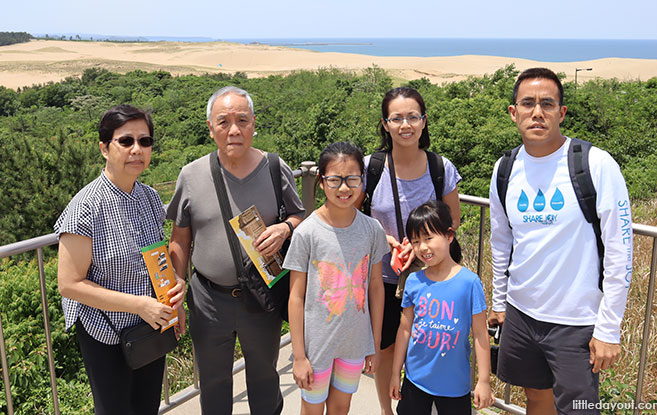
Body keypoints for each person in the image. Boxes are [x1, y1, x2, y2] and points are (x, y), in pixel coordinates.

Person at [488, 67, 633, 415]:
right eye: (527, 103)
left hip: (577, 321)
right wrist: (499, 302)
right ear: (514, 112)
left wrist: (608, 328)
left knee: (578, 409)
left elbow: (620, 251)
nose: (537, 112)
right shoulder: (505, 168)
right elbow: (501, 241)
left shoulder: (595, 165)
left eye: (547, 104)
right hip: (522, 315)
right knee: (535, 398)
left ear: (561, 113)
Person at [166, 86, 304, 414]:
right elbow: (179, 240)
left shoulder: (274, 167)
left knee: (264, 378)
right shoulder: (191, 174)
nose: (234, 130)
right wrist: (175, 289)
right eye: (223, 121)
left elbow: (301, 217)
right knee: (213, 384)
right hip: (208, 299)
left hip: (260, 296)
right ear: (210, 127)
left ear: (254, 123)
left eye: (242, 120)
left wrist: (285, 228)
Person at [55, 104, 186, 414]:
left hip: (151, 327)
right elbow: (69, 284)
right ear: (104, 147)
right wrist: (138, 305)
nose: (136, 149)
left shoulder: (150, 198)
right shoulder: (85, 208)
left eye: (145, 141)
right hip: (106, 332)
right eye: (125, 141)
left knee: (146, 407)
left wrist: (175, 293)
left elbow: (157, 259)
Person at [361, 86, 462, 414]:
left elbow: (453, 221)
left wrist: (420, 247)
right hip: (383, 279)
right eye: (397, 118)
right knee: (386, 347)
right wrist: (383, 239)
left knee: (430, 345)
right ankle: (387, 410)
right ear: (385, 124)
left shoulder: (440, 168)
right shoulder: (369, 167)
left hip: (433, 279)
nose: (406, 125)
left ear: (423, 121)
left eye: (413, 117)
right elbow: (348, 215)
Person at [284, 142, 387, 415]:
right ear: (321, 182)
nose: (344, 188)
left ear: (362, 180)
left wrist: (373, 344)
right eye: (334, 180)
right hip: (316, 344)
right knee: (312, 409)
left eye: (352, 179)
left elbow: (376, 287)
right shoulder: (307, 233)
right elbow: (296, 296)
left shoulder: (372, 229)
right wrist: (299, 356)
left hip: (354, 341)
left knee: (342, 408)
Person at [389, 200, 494, 414]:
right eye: (416, 241)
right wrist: (394, 373)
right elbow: (405, 329)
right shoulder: (414, 281)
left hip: (454, 384)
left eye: (429, 238)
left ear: (449, 235)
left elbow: (480, 335)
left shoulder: (469, 283)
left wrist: (483, 381)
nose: (423, 247)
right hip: (415, 379)